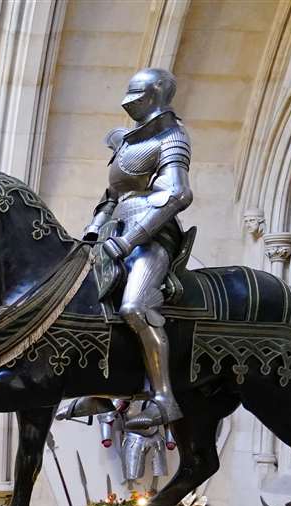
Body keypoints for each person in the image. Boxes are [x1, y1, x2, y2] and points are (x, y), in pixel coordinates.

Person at [59, 67, 194, 434]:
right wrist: (91, 232)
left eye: (138, 93)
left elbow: (176, 195)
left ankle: (164, 398)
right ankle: (101, 390)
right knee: (87, 305)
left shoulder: (171, 138)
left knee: (135, 307)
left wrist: (130, 239)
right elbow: (111, 198)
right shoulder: (127, 144)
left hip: (151, 237)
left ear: (156, 95)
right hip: (110, 235)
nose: (129, 101)